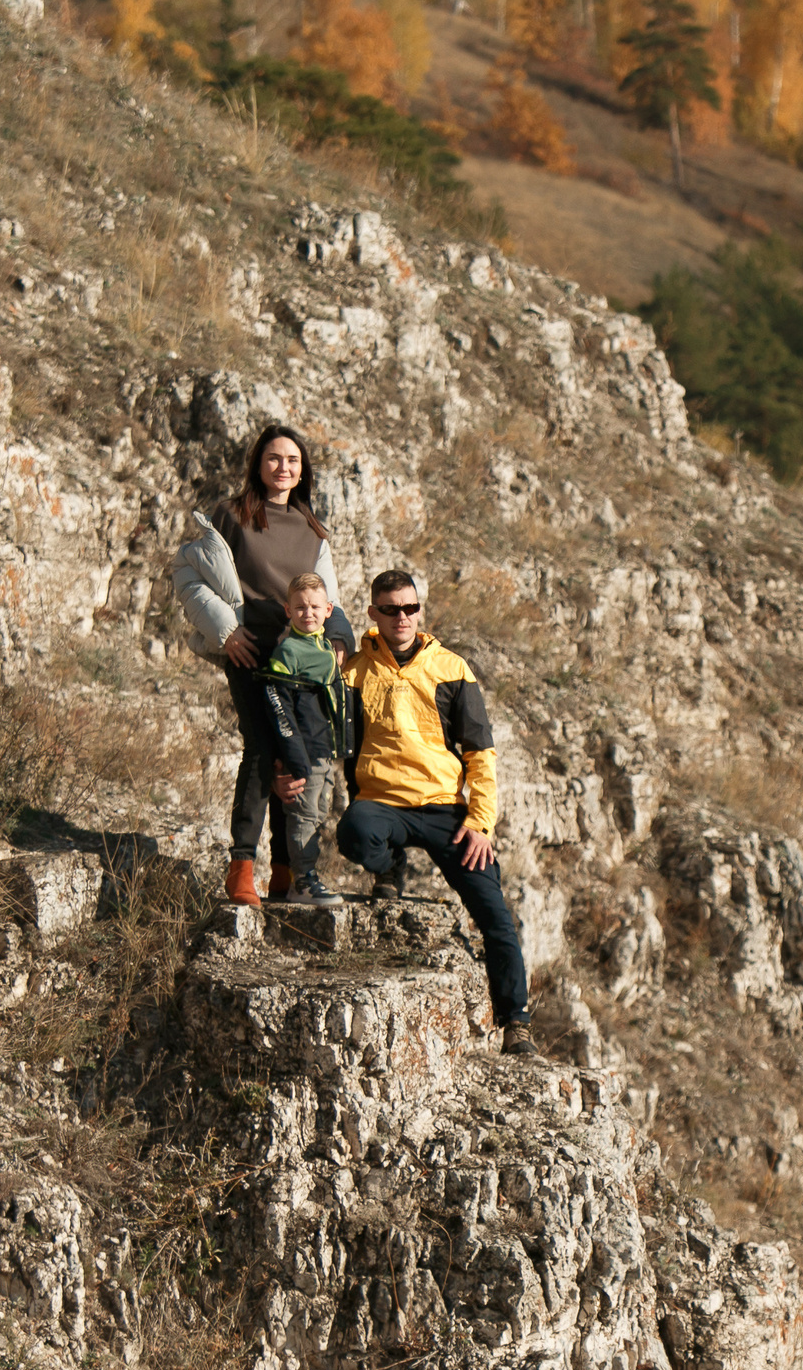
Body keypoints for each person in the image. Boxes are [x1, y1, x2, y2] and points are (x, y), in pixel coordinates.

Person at [338, 570, 535, 1056]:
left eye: (409, 608)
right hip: (383, 801)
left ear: (419, 611)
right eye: (390, 609)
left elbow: (480, 752)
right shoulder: (356, 671)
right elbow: (343, 750)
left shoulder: (452, 667)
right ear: (373, 614)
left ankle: (517, 1022)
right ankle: (390, 867)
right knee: (355, 834)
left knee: (495, 916)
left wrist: (481, 822)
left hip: (447, 810)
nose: (402, 617)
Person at [171, 424, 351, 906]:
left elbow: (328, 597)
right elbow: (187, 573)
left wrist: (336, 641)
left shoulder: (312, 528)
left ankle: (286, 872)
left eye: (292, 460)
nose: (283, 468)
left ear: (303, 469)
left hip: (298, 659)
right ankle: (242, 869)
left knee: (294, 759)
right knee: (259, 749)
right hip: (250, 651)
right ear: (258, 463)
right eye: (274, 458)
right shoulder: (230, 515)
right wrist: (225, 633)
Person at [258, 573, 350, 907]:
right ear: (287, 610)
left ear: (328, 610)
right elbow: (279, 704)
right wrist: (294, 756)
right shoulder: (289, 651)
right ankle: (302, 881)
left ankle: (308, 875)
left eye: (314, 607)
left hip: (326, 750)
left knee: (318, 813)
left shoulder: (325, 647)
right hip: (306, 750)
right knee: (304, 814)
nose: (307, 613)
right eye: (299, 608)